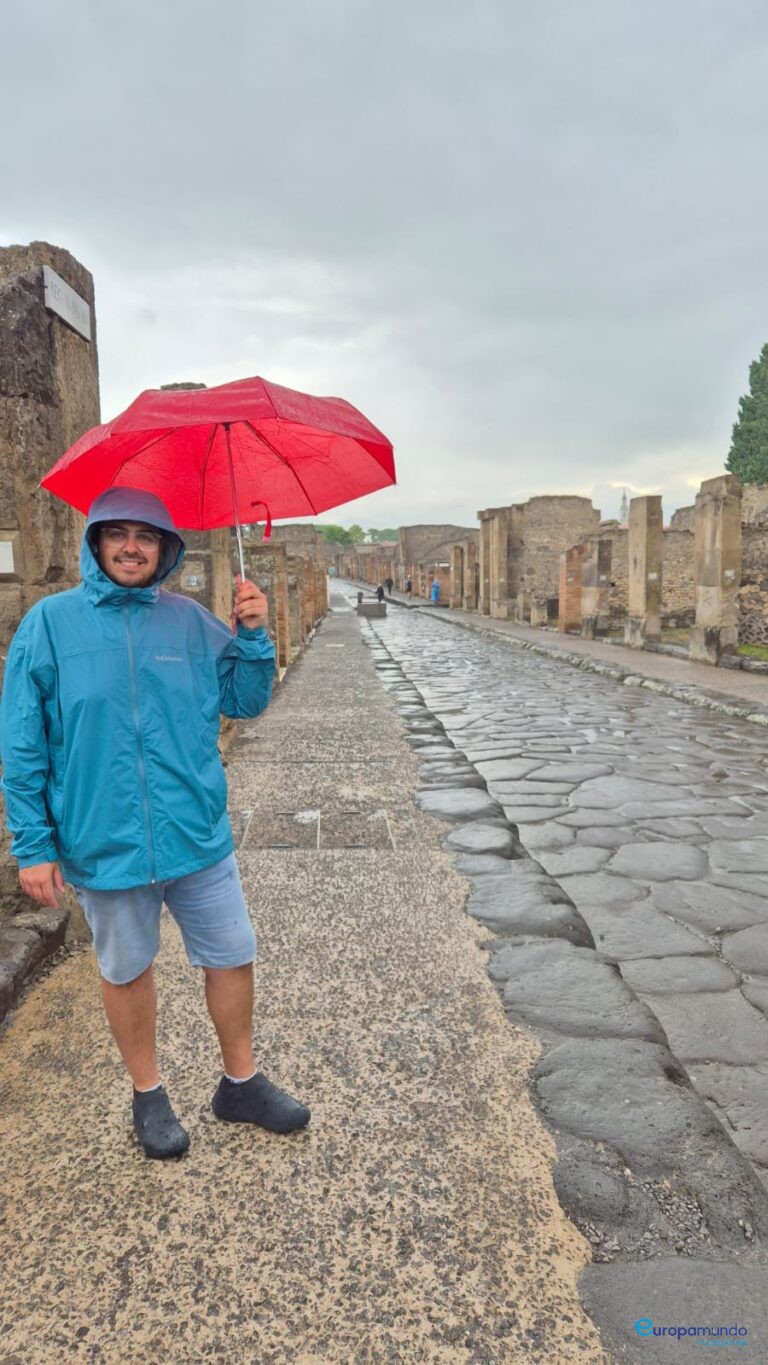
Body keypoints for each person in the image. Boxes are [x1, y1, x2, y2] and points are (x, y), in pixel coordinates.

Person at [0, 488, 310, 1160]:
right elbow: (23, 742)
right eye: (118, 533)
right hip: (102, 839)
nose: (132, 546)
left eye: (147, 535)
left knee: (231, 952)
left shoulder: (190, 622)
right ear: (96, 541)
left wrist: (254, 636)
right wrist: (33, 842)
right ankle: (149, 1092)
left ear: (167, 547)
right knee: (127, 967)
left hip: (194, 833)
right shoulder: (48, 625)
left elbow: (246, 699)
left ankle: (241, 1082)